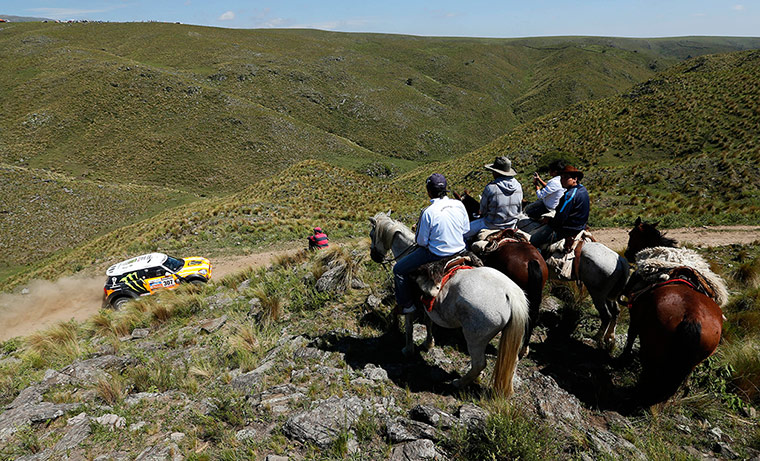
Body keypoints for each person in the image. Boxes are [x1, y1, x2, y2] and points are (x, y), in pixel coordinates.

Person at [393, 173, 469, 314]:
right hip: (460, 250)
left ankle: (407, 305)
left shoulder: (428, 212)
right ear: (445, 189)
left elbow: (421, 241)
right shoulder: (459, 204)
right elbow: (466, 229)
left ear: (429, 191)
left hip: (436, 254)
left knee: (398, 270)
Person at [529, 165, 590, 248]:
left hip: (568, 229)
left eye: (566, 178)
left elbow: (560, 218)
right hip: (580, 225)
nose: (562, 181)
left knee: (533, 241)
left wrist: (549, 221)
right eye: (561, 178)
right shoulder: (582, 189)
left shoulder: (569, 196)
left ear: (575, 179)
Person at [464, 156, 523, 239]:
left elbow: (483, 210)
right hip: (512, 224)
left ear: (496, 172)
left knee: (462, 233)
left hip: (492, 225)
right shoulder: (518, 186)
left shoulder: (491, 187)